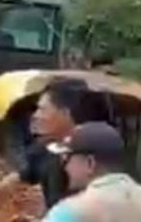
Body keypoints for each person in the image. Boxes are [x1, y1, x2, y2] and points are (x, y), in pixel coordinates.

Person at [24, 79, 112, 209]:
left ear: (65, 113)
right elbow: (26, 174)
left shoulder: (96, 156)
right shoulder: (47, 149)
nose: (36, 116)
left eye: (42, 110)